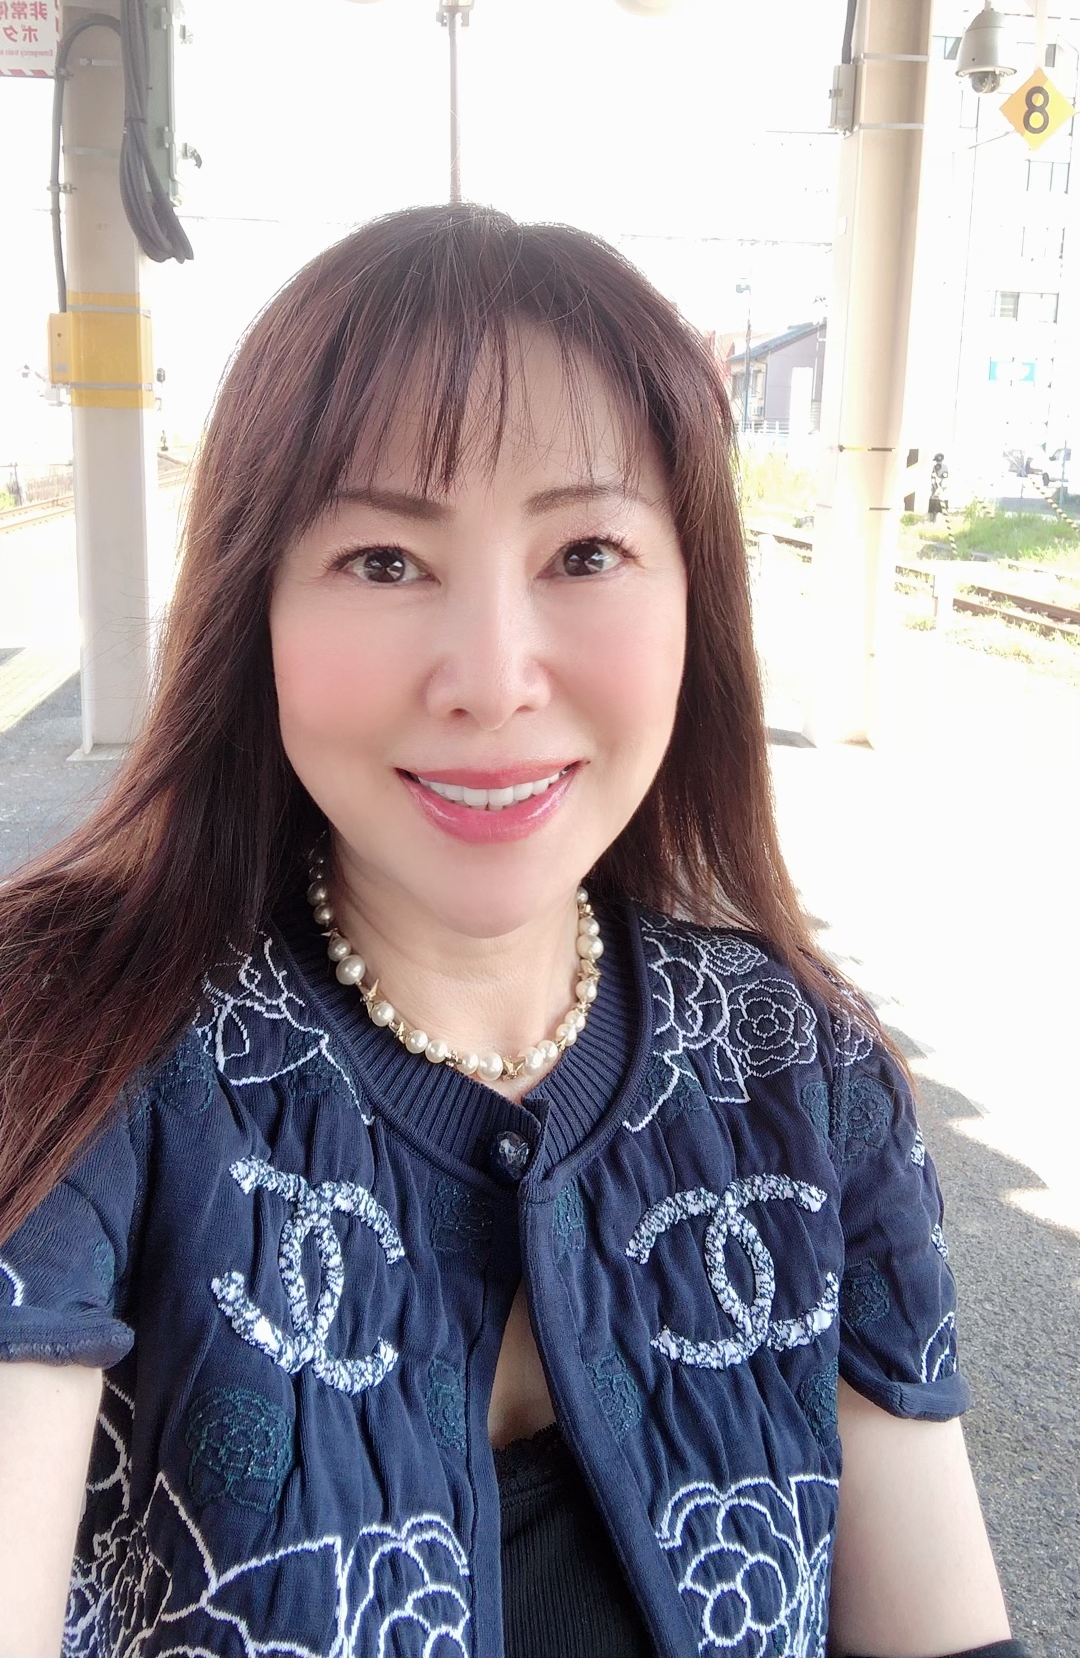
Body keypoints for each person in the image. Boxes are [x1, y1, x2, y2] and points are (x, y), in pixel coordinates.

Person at [0, 206, 1024, 1658]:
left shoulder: (804, 1070)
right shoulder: (69, 1049)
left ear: (696, 599)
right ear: (252, 606)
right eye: (382, 561)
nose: (491, 679)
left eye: (586, 552)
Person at [929, 452, 949, 521]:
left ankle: (937, 518)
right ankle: (935, 518)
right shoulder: (937, 468)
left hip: (941, 487)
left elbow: (944, 477)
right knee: (936, 501)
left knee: (938, 501)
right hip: (939, 487)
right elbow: (933, 477)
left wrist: (937, 485)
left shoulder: (941, 467)